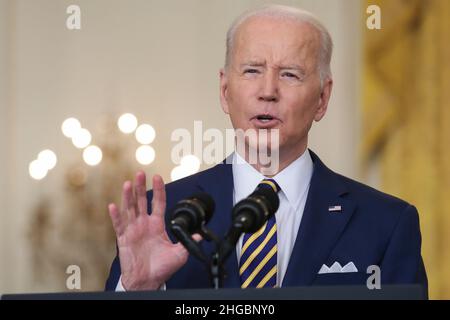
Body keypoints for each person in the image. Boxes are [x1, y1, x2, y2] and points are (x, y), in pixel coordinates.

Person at [105, 4, 427, 294]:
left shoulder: (387, 223)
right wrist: (136, 289)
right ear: (225, 89)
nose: (268, 91)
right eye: (252, 70)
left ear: (322, 98)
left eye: (289, 74)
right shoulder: (163, 216)